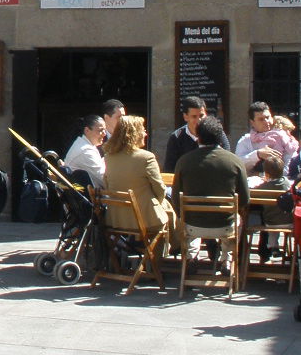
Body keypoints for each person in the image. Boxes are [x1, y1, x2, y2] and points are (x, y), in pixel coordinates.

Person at [171, 116, 249, 269]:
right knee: (237, 219)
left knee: (186, 216)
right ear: (221, 138)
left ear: (198, 138)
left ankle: (191, 256)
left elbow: (175, 198)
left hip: (192, 225)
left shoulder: (184, 161)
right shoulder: (235, 162)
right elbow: (245, 199)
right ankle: (227, 259)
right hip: (225, 225)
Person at [102, 115, 175, 252]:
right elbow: (160, 189)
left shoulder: (108, 157)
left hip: (116, 219)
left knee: (166, 211)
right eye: (142, 129)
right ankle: (156, 266)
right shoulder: (146, 157)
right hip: (145, 219)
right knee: (169, 214)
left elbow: (107, 184)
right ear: (134, 133)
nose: (145, 133)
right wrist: (158, 203)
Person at [165, 95, 228, 172]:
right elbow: (169, 169)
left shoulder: (216, 132)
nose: (199, 120)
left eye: (201, 115)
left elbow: (227, 158)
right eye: (194, 117)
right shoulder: (176, 137)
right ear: (185, 117)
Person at [233, 101, 299, 173]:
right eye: (261, 119)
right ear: (252, 122)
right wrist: (257, 154)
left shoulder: (283, 136)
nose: (266, 121)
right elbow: (238, 165)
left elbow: (292, 162)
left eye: (267, 117)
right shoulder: (245, 141)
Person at [63, 115, 108, 190]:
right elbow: (105, 181)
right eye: (100, 130)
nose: (104, 134)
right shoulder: (86, 151)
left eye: (105, 130)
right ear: (87, 130)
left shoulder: (84, 144)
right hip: (91, 199)